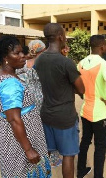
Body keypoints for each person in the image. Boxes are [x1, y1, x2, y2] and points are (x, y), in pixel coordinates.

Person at [0, 35, 51, 177]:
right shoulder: (9, 84)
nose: (23, 56)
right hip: (18, 140)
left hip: (24, 133)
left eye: (22, 52)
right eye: (17, 53)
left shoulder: (9, 75)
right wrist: (28, 149)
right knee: (24, 172)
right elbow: (14, 119)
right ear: (5, 58)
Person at [35, 23, 85, 178]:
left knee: (48, 153)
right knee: (68, 155)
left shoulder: (39, 59)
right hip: (65, 118)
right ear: (60, 37)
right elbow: (82, 89)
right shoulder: (66, 62)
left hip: (46, 114)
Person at [77, 35, 106, 178]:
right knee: (100, 147)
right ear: (101, 47)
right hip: (100, 113)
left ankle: (81, 170)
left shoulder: (80, 63)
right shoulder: (103, 64)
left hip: (85, 109)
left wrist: (83, 95)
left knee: (85, 141)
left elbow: (77, 85)